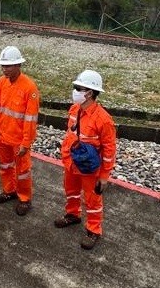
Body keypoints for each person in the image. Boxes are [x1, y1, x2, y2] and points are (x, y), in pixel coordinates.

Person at [54, 70, 116, 250]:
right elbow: (70, 134)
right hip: (72, 163)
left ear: (89, 92)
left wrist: (104, 176)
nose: (74, 91)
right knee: (71, 190)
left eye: (77, 88)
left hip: (89, 168)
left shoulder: (104, 120)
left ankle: (94, 229)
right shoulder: (74, 110)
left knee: (92, 199)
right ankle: (73, 214)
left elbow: (109, 150)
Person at [0, 45, 40, 216]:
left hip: (19, 140)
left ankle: (24, 198)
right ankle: (9, 190)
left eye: (8, 66)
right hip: (3, 136)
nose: (4, 69)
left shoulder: (29, 88)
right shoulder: (1, 82)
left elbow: (31, 119)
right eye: (3, 66)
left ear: (18, 65)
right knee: (4, 166)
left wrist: (26, 142)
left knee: (23, 171)